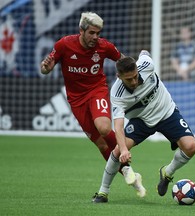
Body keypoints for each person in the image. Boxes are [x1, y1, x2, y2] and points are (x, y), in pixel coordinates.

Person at [40, 11, 143, 197]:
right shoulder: (64, 45)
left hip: (97, 90)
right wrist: (45, 68)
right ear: (82, 30)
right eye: (92, 33)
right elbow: (46, 67)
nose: (96, 37)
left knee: (104, 128)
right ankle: (129, 173)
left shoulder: (105, 47)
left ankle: (126, 166)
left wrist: (137, 76)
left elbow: (124, 61)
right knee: (102, 145)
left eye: (98, 33)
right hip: (76, 100)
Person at [92, 50, 195, 203]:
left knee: (191, 146)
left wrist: (144, 53)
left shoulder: (146, 65)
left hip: (166, 112)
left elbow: (144, 53)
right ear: (118, 77)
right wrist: (124, 149)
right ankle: (103, 192)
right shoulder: (117, 94)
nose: (134, 81)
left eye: (135, 76)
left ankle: (167, 172)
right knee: (117, 150)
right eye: (129, 79)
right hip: (141, 121)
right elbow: (118, 126)